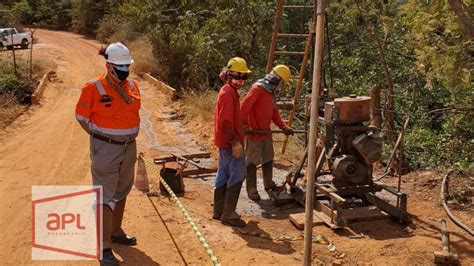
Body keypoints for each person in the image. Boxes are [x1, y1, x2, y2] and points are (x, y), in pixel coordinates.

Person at [75, 42, 140, 265]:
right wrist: (102, 139)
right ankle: (103, 248)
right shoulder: (93, 87)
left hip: (129, 147)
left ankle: (116, 231)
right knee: (104, 195)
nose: (124, 70)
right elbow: (82, 118)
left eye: (126, 66)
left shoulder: (132, 85)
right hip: (106, 149)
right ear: (109, 65)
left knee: (122, 191)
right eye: (120, 66)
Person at [240, 65, 294, 201]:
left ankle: (268, 184)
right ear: (276, 79)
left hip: (265, 132)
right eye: (282, 82)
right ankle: (251, 188)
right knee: (252, 162)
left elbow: (274, 112)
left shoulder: (270, 92)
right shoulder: (257, 89)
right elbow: (244, 108)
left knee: (268, 158)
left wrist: (283, 127)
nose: (282, 86)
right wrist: (245, 125)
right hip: (254, 133)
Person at [212, 57, 251, 227]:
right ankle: (228, 213)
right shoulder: (228, 93)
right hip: (230, 142)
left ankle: (219, 211)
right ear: (228, 75)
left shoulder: (229, 91)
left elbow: (230, 119)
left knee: (224, 174)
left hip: (224, 141)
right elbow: (225, 121)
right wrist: (235, 141)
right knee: (237, 174)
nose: (240, 81)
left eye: (244, 77)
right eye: (237, 76)